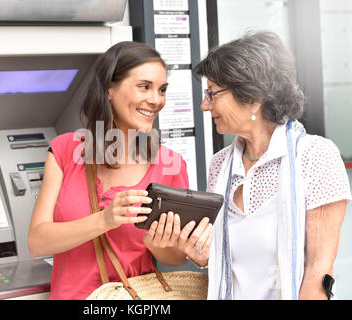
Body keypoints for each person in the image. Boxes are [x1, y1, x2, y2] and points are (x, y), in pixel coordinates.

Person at [28, 41, 213, 300]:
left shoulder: (170, 164)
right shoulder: (64, 151)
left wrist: (159, 245)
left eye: (162, 90)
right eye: (144, 87)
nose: (156, 100)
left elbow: (175, 257)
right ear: (109, 89)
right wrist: (106, 219)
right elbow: (37, 242)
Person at [193, 31, 351, 300]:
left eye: (212, 93)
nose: (204, 105)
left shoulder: (315, 156)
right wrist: (199, 254)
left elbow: (319, 272)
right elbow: (230, 263)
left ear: (253, 97)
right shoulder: (220, 165)